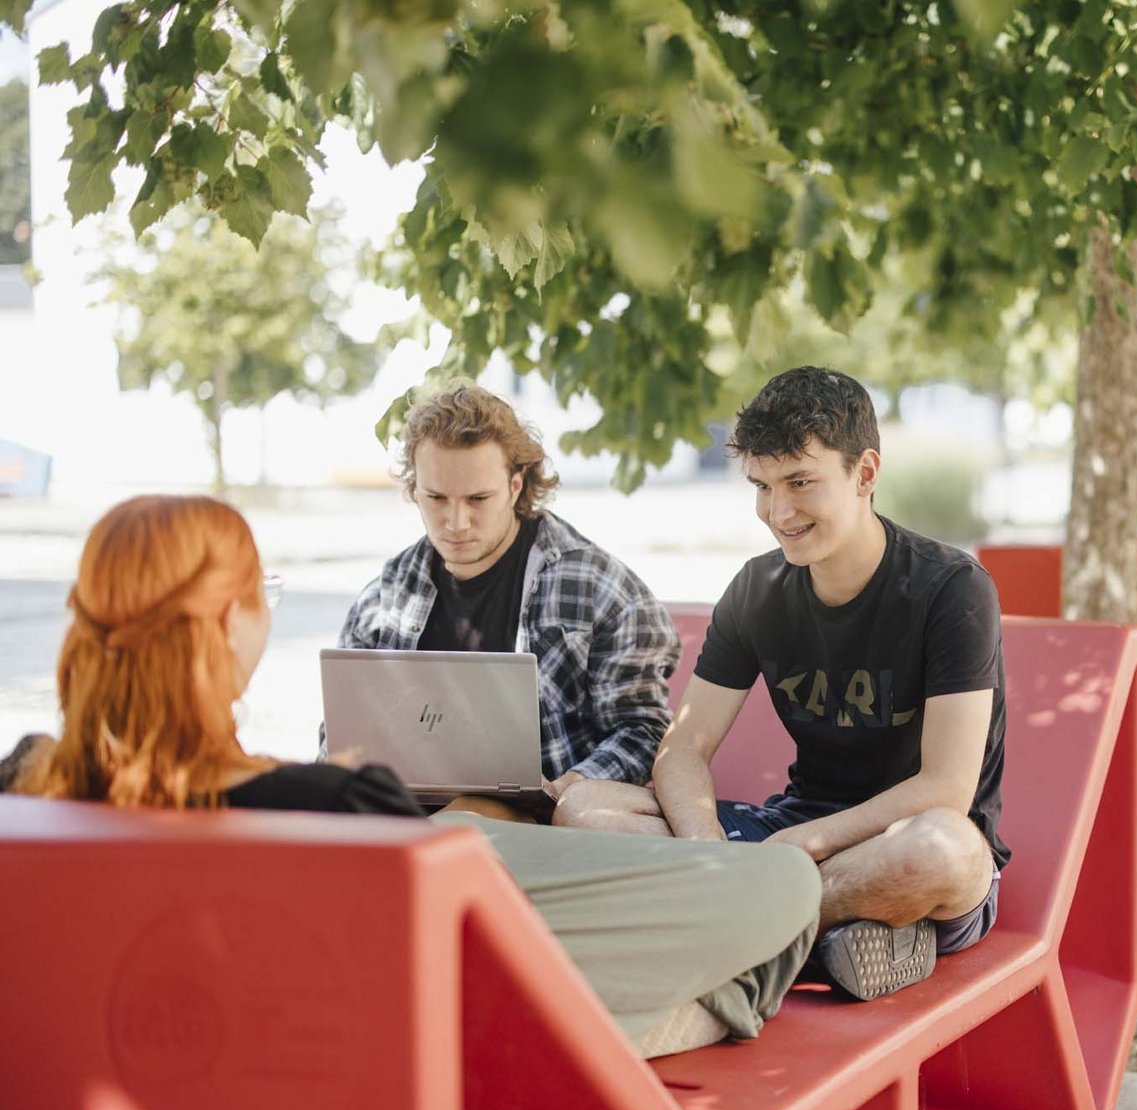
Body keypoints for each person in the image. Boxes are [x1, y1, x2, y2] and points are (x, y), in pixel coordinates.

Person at [6, 494, 820, 1056]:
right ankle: (724, 999)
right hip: (407, 1032)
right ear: (230, 621)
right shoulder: (336, 808)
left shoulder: (26, 784)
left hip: (188, 1039)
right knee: (782, 885)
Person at [556, 367, 1006, 1002]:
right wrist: (705, 851)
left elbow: (946, 788)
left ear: (865, 474)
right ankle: (824, 943)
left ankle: (732, 935)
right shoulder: (757, 589)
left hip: (895, 848)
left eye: (800, 482)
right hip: (785, 844)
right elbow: (683, 748)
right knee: (584, 810)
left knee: (945, 851)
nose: (778, 511)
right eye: (762, 486)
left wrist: (802, 845)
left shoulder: (951, 589)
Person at [331, 385, 679, 812]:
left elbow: (643, 729)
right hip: (399, 813)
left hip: (540, 819)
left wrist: (572, 785)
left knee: (459, 824)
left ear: (515, 486)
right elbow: (338, 736)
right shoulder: (385, 597)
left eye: (478, 498)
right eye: (436, 498)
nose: (456, 522)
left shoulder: (598, 587)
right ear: (413, 488)